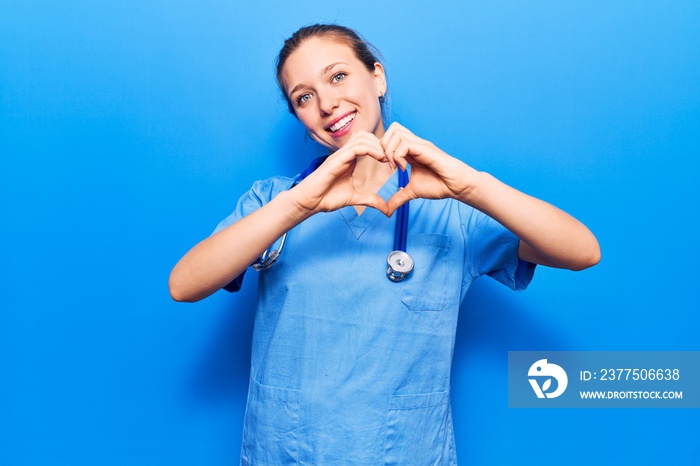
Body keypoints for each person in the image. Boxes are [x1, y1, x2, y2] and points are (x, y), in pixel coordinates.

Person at [170, 24, 600, 465]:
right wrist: (298, 204)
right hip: (285, 452)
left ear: (377, 77)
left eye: (338, 76)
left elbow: (582, 251)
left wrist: (469, 185)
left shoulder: (450, 208)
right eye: (304, 96)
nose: (326, 104)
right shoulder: (274, 201)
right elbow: (184, 284)